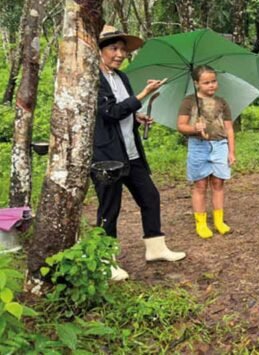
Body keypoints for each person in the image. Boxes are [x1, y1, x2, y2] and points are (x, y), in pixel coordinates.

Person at [93, 25, 186, 282]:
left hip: (131, 151)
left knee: (150, 196)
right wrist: (142, 95)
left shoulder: (120, 77)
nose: (120, 54)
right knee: (109, 207)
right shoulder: (93, 79)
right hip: (107, 154)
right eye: (114, 48)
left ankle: (156, 248)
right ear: (99, 51)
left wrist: (137, 117)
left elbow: (123, 110)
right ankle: (105, 261)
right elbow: (109, 113)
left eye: (123, 49)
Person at [176, 65, 236, 239]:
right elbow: (181, 126)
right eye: (206, 83)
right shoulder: (189, 102)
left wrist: (231, 151)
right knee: (200, 184)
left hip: (219, 145)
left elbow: (229, 128)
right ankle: (201, 223)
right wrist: (194, 128)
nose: (211, 85)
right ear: (196, 84)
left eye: (214, 81)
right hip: (198, 146)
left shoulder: (222, 102)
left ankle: (219, 220)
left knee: (218, 183)